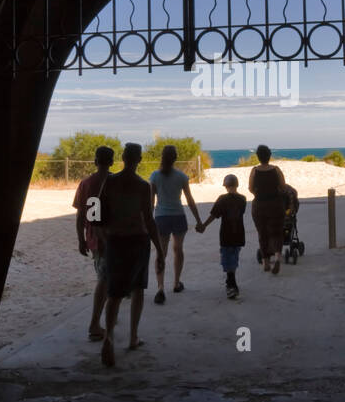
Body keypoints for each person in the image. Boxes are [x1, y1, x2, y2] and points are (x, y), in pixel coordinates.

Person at [95, 143, 166, 367]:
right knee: (138, 289)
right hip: (137, 240)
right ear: (140, 160)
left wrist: (100, 233)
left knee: (114, 293)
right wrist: (160, 250)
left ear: (123, 158)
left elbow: (95, 207)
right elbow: (149, 219)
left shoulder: (110, 181)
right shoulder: (143, 186)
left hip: (115, 240)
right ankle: (134, 337)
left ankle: (109, 337)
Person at [148, 144, 203, 305]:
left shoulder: (155, 176)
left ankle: (160, 287)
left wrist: (148, 221)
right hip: (178, 216)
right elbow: (190, 200)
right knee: (178, 249)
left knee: (161, 252)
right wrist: (199, 220)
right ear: (175, 158)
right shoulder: (181, 177)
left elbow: (151, 202)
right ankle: (176, 283)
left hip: (161, 218)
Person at [72, 145, 114, 342]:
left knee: (104, 278)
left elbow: (83, 215)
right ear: (112, 162)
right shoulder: (116, 182)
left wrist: (81, 239)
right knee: (105, 280)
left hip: (96, 239)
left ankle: (102, 320)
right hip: (113, 238)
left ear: (95, 161)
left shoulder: (87, 183)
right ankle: (95, 324)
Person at [196, 174, 247, 299]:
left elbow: (214, 215)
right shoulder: (243, 199)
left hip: (226, 233)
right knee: (234, 257)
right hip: (239, 233)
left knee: (227, 258)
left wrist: (204, 226)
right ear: (237, 185)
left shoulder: (222, 199)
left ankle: (231, 283)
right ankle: (231, 282)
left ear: (226, 186)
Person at [248, 144, 287, 274]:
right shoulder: (276, 170)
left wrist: (258, 194)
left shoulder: (254, 171)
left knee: (262, 233)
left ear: (258, 157)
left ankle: (265, 262)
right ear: (269, 156)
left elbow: (251, 188)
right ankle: (277, 257)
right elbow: (283, 186)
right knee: (276, 232)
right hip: (275, 204)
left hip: (259, 205)